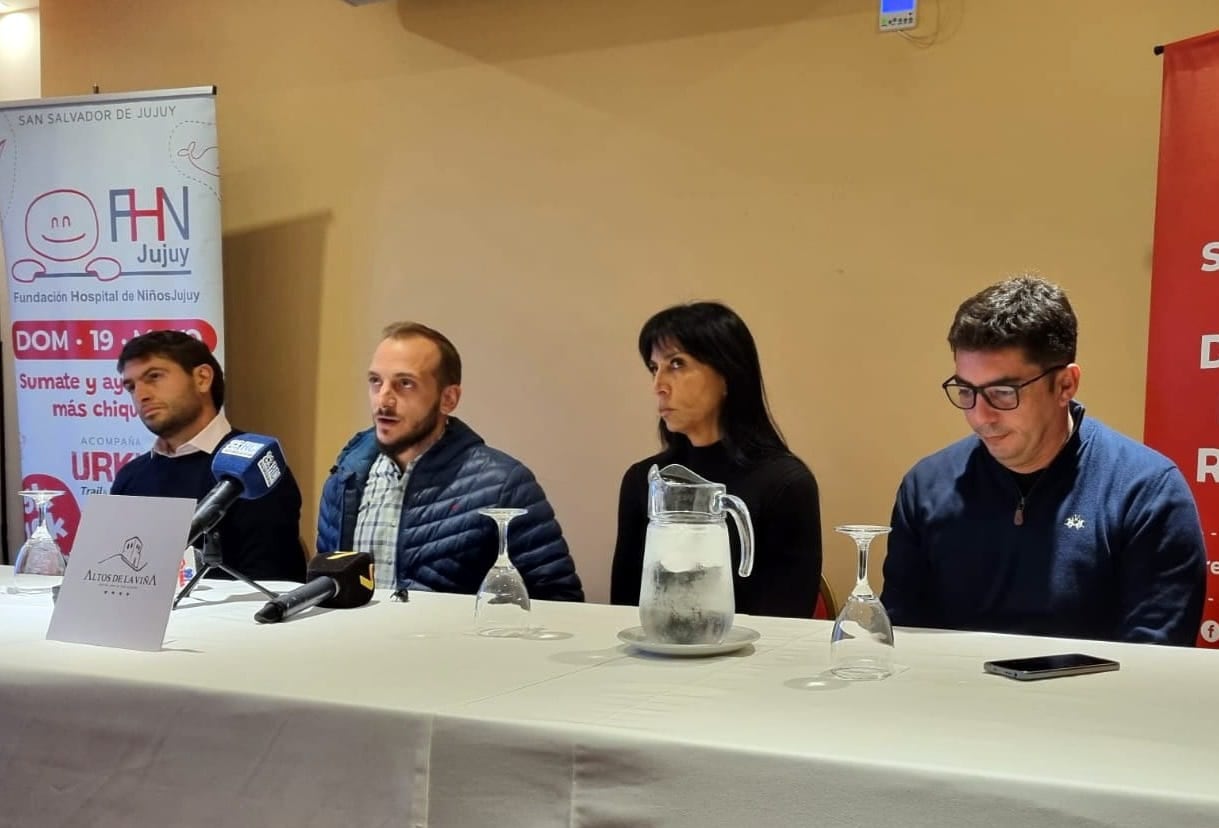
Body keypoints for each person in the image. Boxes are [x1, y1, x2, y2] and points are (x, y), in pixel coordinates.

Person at [881, 274, 1206, 645]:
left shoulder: (1147, 492)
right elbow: (901, 636)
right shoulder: (927, 486)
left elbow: (1155, 658)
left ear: (1065, 385)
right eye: (966, 390)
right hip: (952, 698)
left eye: (1003, 392)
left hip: (1094, 700)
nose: (979, 416)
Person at [316, 321, 583, 600]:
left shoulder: (504, 485)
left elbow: (561, 600)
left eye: (405, 384)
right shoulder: (344, 479)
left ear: (448, 399)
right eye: (375, 381)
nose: (383, 400)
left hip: (452, 643)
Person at [610, 301, 822, 618]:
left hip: (754, 660)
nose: (658, 386)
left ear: (727, 375)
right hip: (655, 660)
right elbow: (625, 612)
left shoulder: (785, 484)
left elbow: (788, 622)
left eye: (676, 364)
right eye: (654, 369)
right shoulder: (642, 481)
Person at [111, 330, 307, 582]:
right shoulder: (131, 476)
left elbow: (271, 581)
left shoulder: (252, 467)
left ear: (202, 378)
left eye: (154, 377)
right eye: (131, 386)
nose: (141, 395)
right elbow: (113, 578)